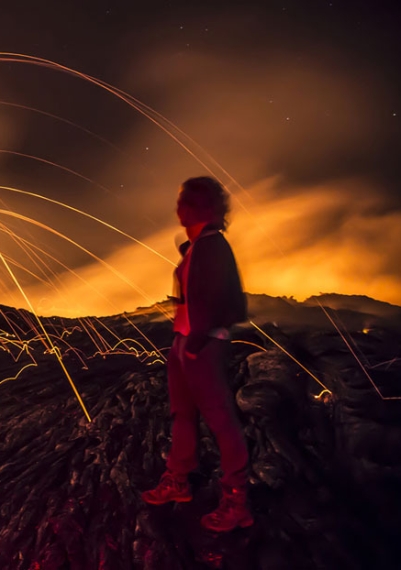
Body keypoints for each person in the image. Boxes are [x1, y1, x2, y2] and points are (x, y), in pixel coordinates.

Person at [141, 176, 252, 532]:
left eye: (183, 201)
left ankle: (236, 501)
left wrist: (200, 341)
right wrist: (183, 342)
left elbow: (232, 303)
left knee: (221, 420)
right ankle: (178, 482)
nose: (177, 208)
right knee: (182, 415)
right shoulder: (197, 247)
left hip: (200, 346)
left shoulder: (214, 247)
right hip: (185, 342)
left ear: (199, 206)